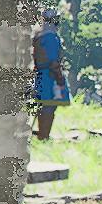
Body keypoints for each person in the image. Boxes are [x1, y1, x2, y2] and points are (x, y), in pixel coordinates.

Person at [30, 12, 68, 140]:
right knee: (48, 107)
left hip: (41, 74)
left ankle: (42, 134)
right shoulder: (50, 36)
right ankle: (44, 136)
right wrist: (59, 77)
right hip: (49, 75)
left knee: (42, 106)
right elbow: (53, 60)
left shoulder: (39, 34)